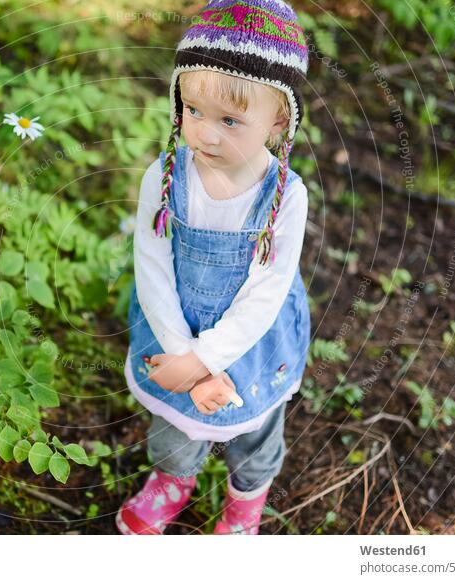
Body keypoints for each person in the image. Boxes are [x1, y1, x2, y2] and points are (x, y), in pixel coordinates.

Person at [117, 0, 311, 535]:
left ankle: (244, 505)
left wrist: (204, 359)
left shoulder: (285, 198)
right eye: (193, 110)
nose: (204, 134)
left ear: (278, 119)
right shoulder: (163, 175)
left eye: (230, 120)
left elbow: (265, 295)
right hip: (172, 322)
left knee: (252, 427)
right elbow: (151, 268)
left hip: (252, 341)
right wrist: (181, 357)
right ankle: (172, 481)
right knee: (174, 420)